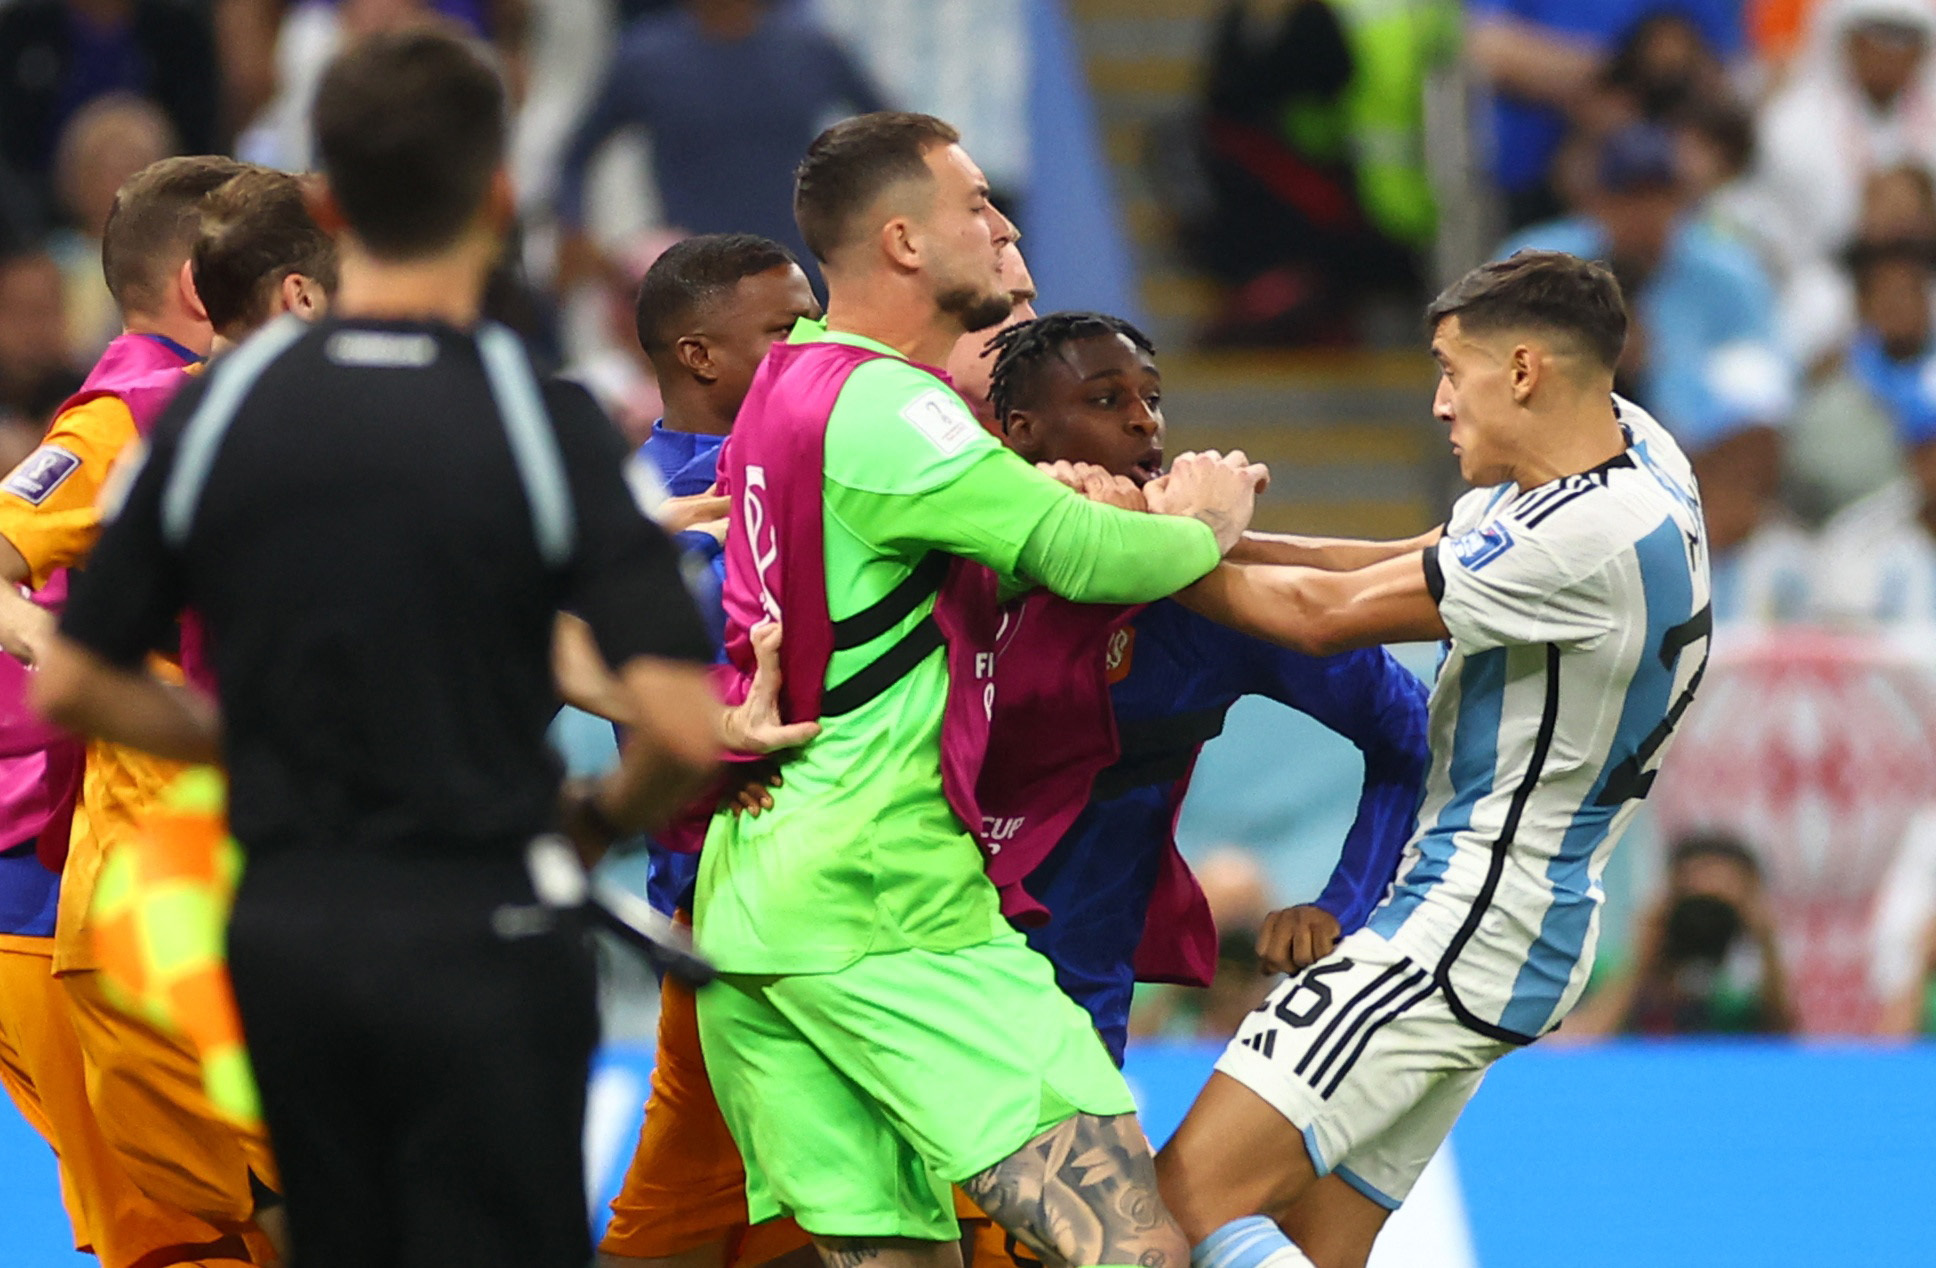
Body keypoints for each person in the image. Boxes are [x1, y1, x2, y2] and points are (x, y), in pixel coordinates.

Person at [27, 29, 797, 1268]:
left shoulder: (206, 414)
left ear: (327, 201)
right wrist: (591, 824)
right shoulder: (535, 415)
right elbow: (669, 719)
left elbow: (73, 675)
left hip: (287, 929)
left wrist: (253, 743)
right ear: (499, 195)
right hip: (488, 921)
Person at [698, 110, 1264, 1268]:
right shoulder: (887, 407)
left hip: (758, 908)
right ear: (904, 241)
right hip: (883, 903)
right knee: (1130, 1244)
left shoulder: (785, 384)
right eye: (974, 207)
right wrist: (1203, 519)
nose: (1000, 225)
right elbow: (1090, 554)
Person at [1147, 250, 1711, 1268]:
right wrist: (1216, 541)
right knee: (1302, 1239)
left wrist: (1157, 547)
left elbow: (1324, 620)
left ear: (1527, 372)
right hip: (1516, 919)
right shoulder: (1634, 451)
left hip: (1457, 923)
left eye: (1454, 370)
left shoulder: (1581, 536)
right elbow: (1379, 564)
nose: (1440, 402)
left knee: (1180, 1202)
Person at [980, 309, 1432, 1064]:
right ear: (1021, 432)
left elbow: (1411, 732)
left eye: (1150, 399)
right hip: (890, 971)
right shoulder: (942, 557)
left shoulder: (1213, 605)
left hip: (1071, 1018)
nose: (1142, 423)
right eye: (1104, 400)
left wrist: (1342, 902)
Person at [0, 153, 303, 1268]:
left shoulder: (233, 406)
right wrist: (43, 639)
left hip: (158, 880)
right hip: (53, 889)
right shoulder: (132, 406)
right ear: (202, 277)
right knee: (180, 1235)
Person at [554, 0, 886, 285]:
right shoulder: (647, 59)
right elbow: (575, 158)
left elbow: (895, 139)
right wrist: (577, 229)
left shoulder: (810, 50)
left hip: (803, 275)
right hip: (697, 282)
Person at [1563, 832, 1795, 1038]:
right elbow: (1573, 1050)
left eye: (1720, 910)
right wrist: (1641, 961)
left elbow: (1784, 1052)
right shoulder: (1599, 971)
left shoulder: (1731, 1003)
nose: (1706, 923)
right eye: (1695, 904)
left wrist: (1767, 946)